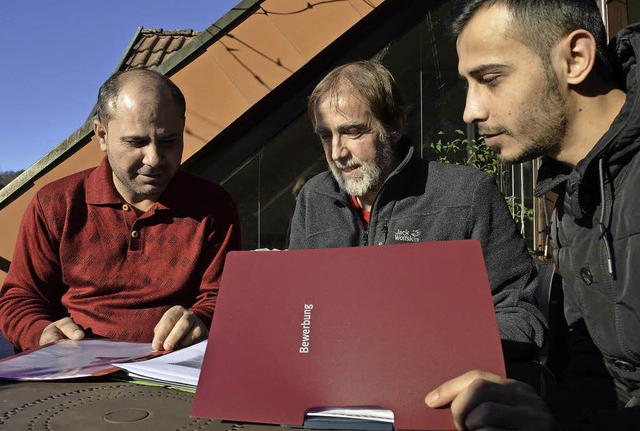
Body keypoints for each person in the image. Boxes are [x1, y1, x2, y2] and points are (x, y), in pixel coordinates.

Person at [425, 0, 640, 429]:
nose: (469, 110)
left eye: (489, 79)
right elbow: (595, 373)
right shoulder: (572, 196)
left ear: (575, 59)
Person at [288, 60, 546, 362]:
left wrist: (448, 357)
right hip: (333, 388)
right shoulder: (314, 198)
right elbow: (300, 310)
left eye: (353, 132)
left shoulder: (467, 194)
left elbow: (520, 315)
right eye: (325, 136)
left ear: (395, 126)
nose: (337, 152)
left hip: (440, 388)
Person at [0, 69, 240, 353]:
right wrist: (40, 332)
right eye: (136, 142)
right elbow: (20, 297)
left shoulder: (213, 206)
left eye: (169, 141)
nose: (154, 159)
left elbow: (221, 297)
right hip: (73, 369)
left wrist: (203, 318)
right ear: (101, 135)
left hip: (173, 372)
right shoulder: (55, 204)